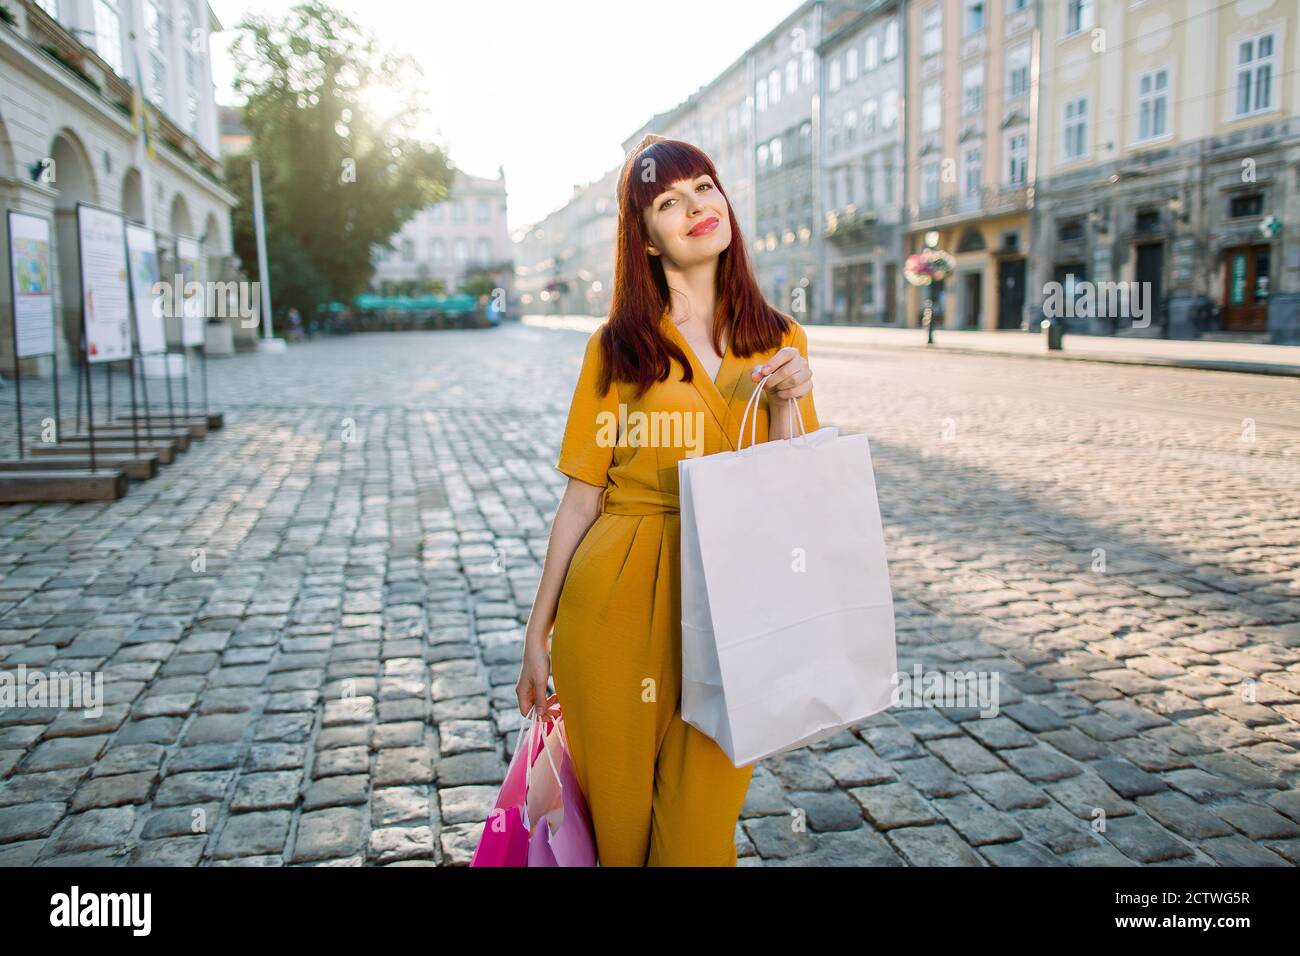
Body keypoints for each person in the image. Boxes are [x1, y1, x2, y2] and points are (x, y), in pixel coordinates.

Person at [515, 135, 818, 866]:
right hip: (618, 600)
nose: (696, 208)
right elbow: (582, 499)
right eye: (668, 202)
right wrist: (537, 631)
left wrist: (789, 402)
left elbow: (792, 492)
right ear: (646, 239)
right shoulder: (619, 346)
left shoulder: (779, 340)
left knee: (697, 835)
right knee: (617, 835)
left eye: (705, 188)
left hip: (734, 600)